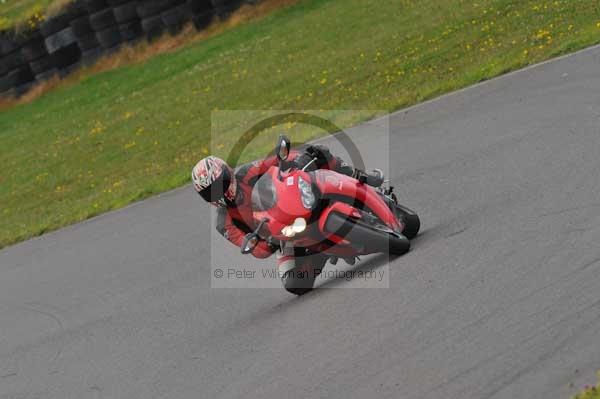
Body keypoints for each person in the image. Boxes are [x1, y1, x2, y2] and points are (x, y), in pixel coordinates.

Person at [192, 143, 384, 294]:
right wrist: (266, 244)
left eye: (221, 184)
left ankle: (360, 176)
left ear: (229, 173)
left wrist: (298, 159)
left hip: (296, 201)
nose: (219, 193)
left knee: (319, 152)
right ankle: (321, 253)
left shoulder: (247, 173)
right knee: (294, 283)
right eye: (210, 192)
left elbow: (274, 161)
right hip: (283, 237)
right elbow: (252, 247)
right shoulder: (224, 222)